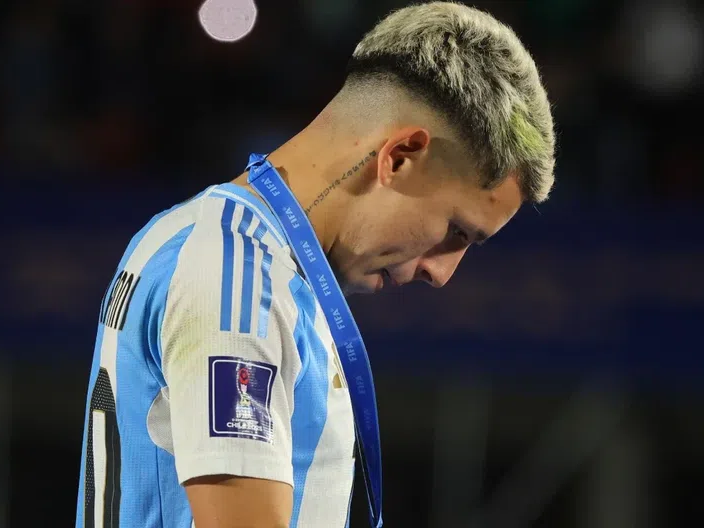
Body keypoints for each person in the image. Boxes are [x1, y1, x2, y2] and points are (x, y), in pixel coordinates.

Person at [75, 2, 556, 527]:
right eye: (456, 232)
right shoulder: (236, 277)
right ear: (400, 157)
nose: (441, 273)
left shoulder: (236, 254)